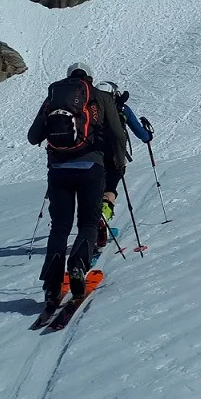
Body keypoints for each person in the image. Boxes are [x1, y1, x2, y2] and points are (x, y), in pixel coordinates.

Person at [27, 62, 125, 309]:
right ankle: (79, 266)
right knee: (88, 222)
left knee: (59, 228)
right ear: (90, 78)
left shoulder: (53, 98)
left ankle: (51, 285)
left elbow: (33, 137)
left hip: (58, 170)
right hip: (92, 167)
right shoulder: (100, 97)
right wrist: (118, 163)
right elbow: (117, 133)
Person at [93, 81, 153, 249]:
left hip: (91, 154)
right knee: (110, 186)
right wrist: (147, 135)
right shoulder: (121, 109)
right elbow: (139, 132)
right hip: (114, 155)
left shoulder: (90, 110)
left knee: (93, 188)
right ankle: (104, 214)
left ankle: (91, 223)